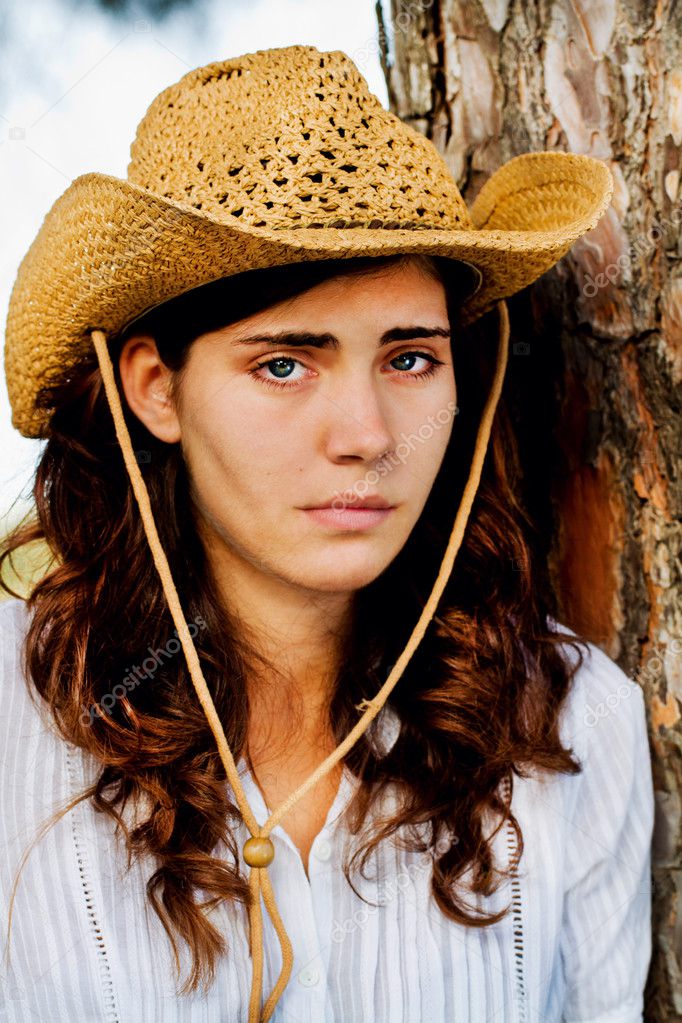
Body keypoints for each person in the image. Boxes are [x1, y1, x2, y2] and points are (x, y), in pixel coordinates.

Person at [0, 44, 654, 1023]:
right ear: (155, 388)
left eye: (408, 358)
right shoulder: (17, 723)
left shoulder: (568, 727)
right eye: (283, 366)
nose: (366, 438)